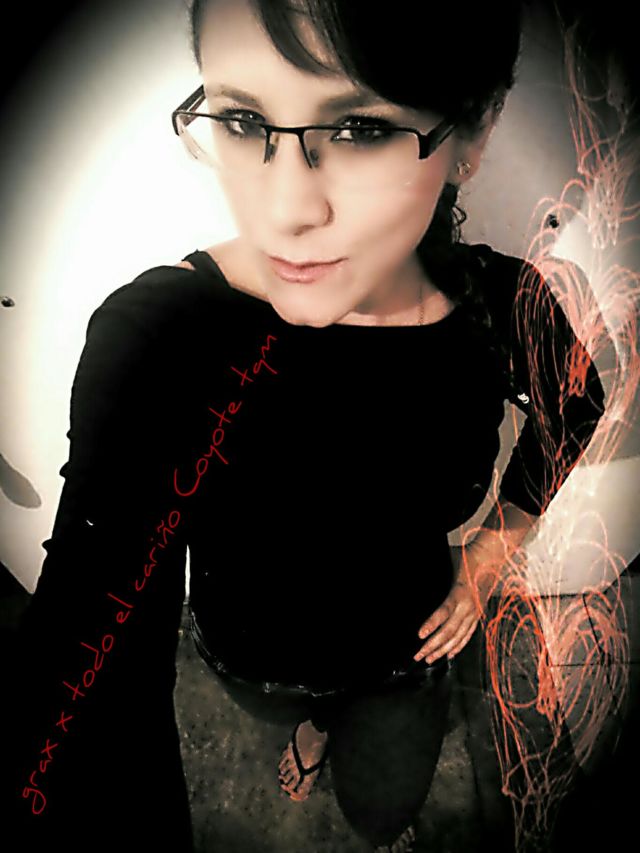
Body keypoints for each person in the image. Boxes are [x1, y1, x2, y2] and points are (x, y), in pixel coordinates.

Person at [2, 1, 607, 851]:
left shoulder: (504, 312)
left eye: (361, 127)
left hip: (405, 652)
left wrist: (491, 551)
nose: (284, 209)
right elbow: (84, 676)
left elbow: (576, 408)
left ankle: (332, 723)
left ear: (474, 130)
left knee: (380, 815)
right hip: (252, 654)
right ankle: (316, 722)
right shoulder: (165, 338)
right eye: (244, 121)